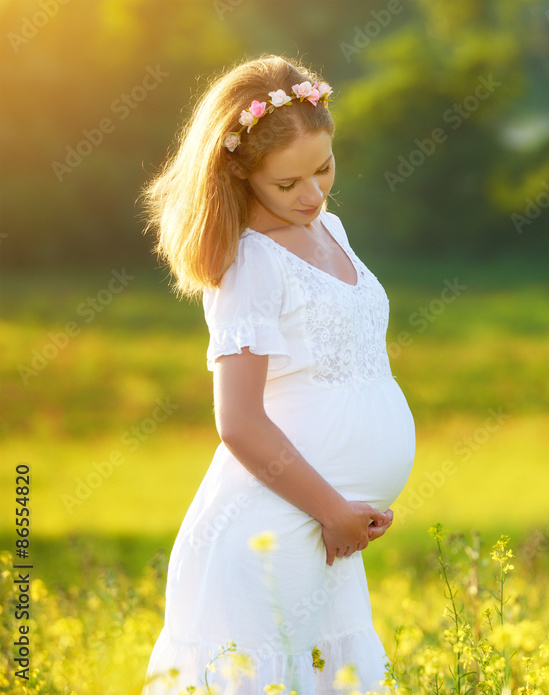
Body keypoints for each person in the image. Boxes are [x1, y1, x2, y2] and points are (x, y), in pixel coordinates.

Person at [140, 55, 416, 694]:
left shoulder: (332, 230)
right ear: (241, 172)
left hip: (326, 533)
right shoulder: (249, 262)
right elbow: (237, 421)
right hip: (275, 527)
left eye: (323, 170)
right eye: (288, 184)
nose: (313, 195)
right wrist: (332, 511)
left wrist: (342, 516)